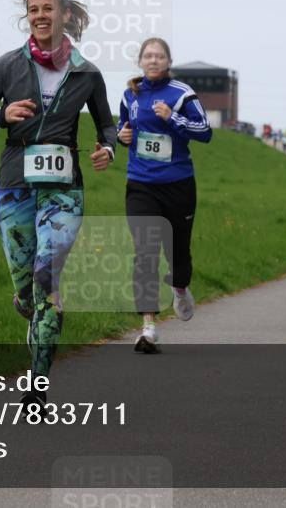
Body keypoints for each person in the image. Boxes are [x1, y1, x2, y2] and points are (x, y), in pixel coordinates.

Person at [0, 0, 117, 406]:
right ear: (26, 16)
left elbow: (107, 124)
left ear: (65, 14)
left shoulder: (86, 72)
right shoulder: (7, 66)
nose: (40, 16)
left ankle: (37, 385)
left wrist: (108, 148)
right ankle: (29, 306)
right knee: (27, 290)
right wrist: (1, 115)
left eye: (48, 8)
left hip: (64, 190)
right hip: (14, 185)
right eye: (33, 10)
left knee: (46, 278)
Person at [117, 38, 212, 353]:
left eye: (159, 56)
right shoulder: (130, 93)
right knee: (145, 251)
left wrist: (172, 117)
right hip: (141, 184)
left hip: (179, 185)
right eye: (148, 55)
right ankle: (148, 325)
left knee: (178, 254)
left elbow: (205, 132)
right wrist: (122, 135)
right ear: (141, 60)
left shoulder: (182, 94)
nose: (153, 60)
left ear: (168, 61)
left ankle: (180, 287)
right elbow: (123, 127)